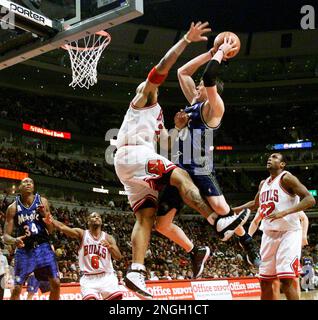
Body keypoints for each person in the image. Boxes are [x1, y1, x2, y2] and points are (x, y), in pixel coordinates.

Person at [114, 22, 250, 299]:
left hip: (137, 165)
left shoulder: (165, 114)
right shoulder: (145, 95)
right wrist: (190, 41)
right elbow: (169, 66)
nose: (196, 86)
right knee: (181, 177)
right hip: (134, 154)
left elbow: (167, 141)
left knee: (147, 218)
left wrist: (177, 127)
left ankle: (136, 271)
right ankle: (218, 221)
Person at [155, 36, 256, 270]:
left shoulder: (213, 109)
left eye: (200, 85)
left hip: (199, 165)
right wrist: (210, 53)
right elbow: (182, 72)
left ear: (209, 90)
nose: (197, 85)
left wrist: (221, 52)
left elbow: (209, 76)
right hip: (179, 169)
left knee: (222, 210)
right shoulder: (193, 102)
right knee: (162, 224)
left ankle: (247, 241)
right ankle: (196, 251)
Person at [233, 153, 316, 300]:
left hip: (289, 233)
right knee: (265, 281)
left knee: (286, 280)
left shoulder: (286, 178)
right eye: (269, 157)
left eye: (274, 157)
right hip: (269, 235)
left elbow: (310, 200)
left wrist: (284, 212)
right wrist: (233, 210)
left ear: (282, 164)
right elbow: (255, 204)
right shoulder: (263, 183)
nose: (270, 159)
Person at [3, 177, 60, 300]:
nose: (28, 183)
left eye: (31, 182)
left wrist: (45, 215)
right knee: (17, 288)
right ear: (20, 187)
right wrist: (14, 240)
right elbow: (5, 236)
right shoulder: (12, 208)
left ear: (33, 187)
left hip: (43, 247)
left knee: (56, 283)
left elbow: (51, 230)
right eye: (25, 182)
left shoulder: (43, 202)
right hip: (25, 251)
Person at [48, 212, 123, 300]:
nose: (96, 218)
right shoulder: (82, 234)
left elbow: (118, 257)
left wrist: (110, 247)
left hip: (107, 276)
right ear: (88, 222)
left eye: (98, 216)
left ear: (102, 221)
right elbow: (63, 227)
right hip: (88, 278)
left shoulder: (108, 238)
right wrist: (51, 219)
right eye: (93, 216)